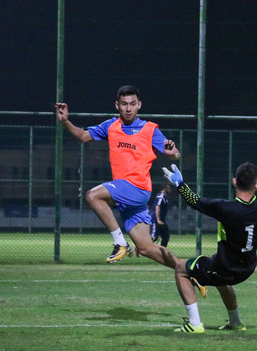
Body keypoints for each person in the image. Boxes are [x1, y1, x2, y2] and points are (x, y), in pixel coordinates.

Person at [55, 85, 180, 268]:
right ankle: (188, 269)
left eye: (132, 104)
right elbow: (83, 136)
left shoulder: (149, 129)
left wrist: (171, 152)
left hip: (138, 187)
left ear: (139, 105)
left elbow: (175, 154)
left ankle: (120, 242)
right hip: (126, 194)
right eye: (124, 104)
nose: (128, 108)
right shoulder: (110, 126)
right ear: (117, 105)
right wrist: (65, 121)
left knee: (92, 195)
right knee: (147, 248)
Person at [162, 162, 257, 333]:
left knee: (181, 269)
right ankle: (236, 323)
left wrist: (180, 184)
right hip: (247, 268)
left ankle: (194, 324)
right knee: (221, 280)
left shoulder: (225, 208)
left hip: (225, 268)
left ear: (234, 182)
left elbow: (194, 201)